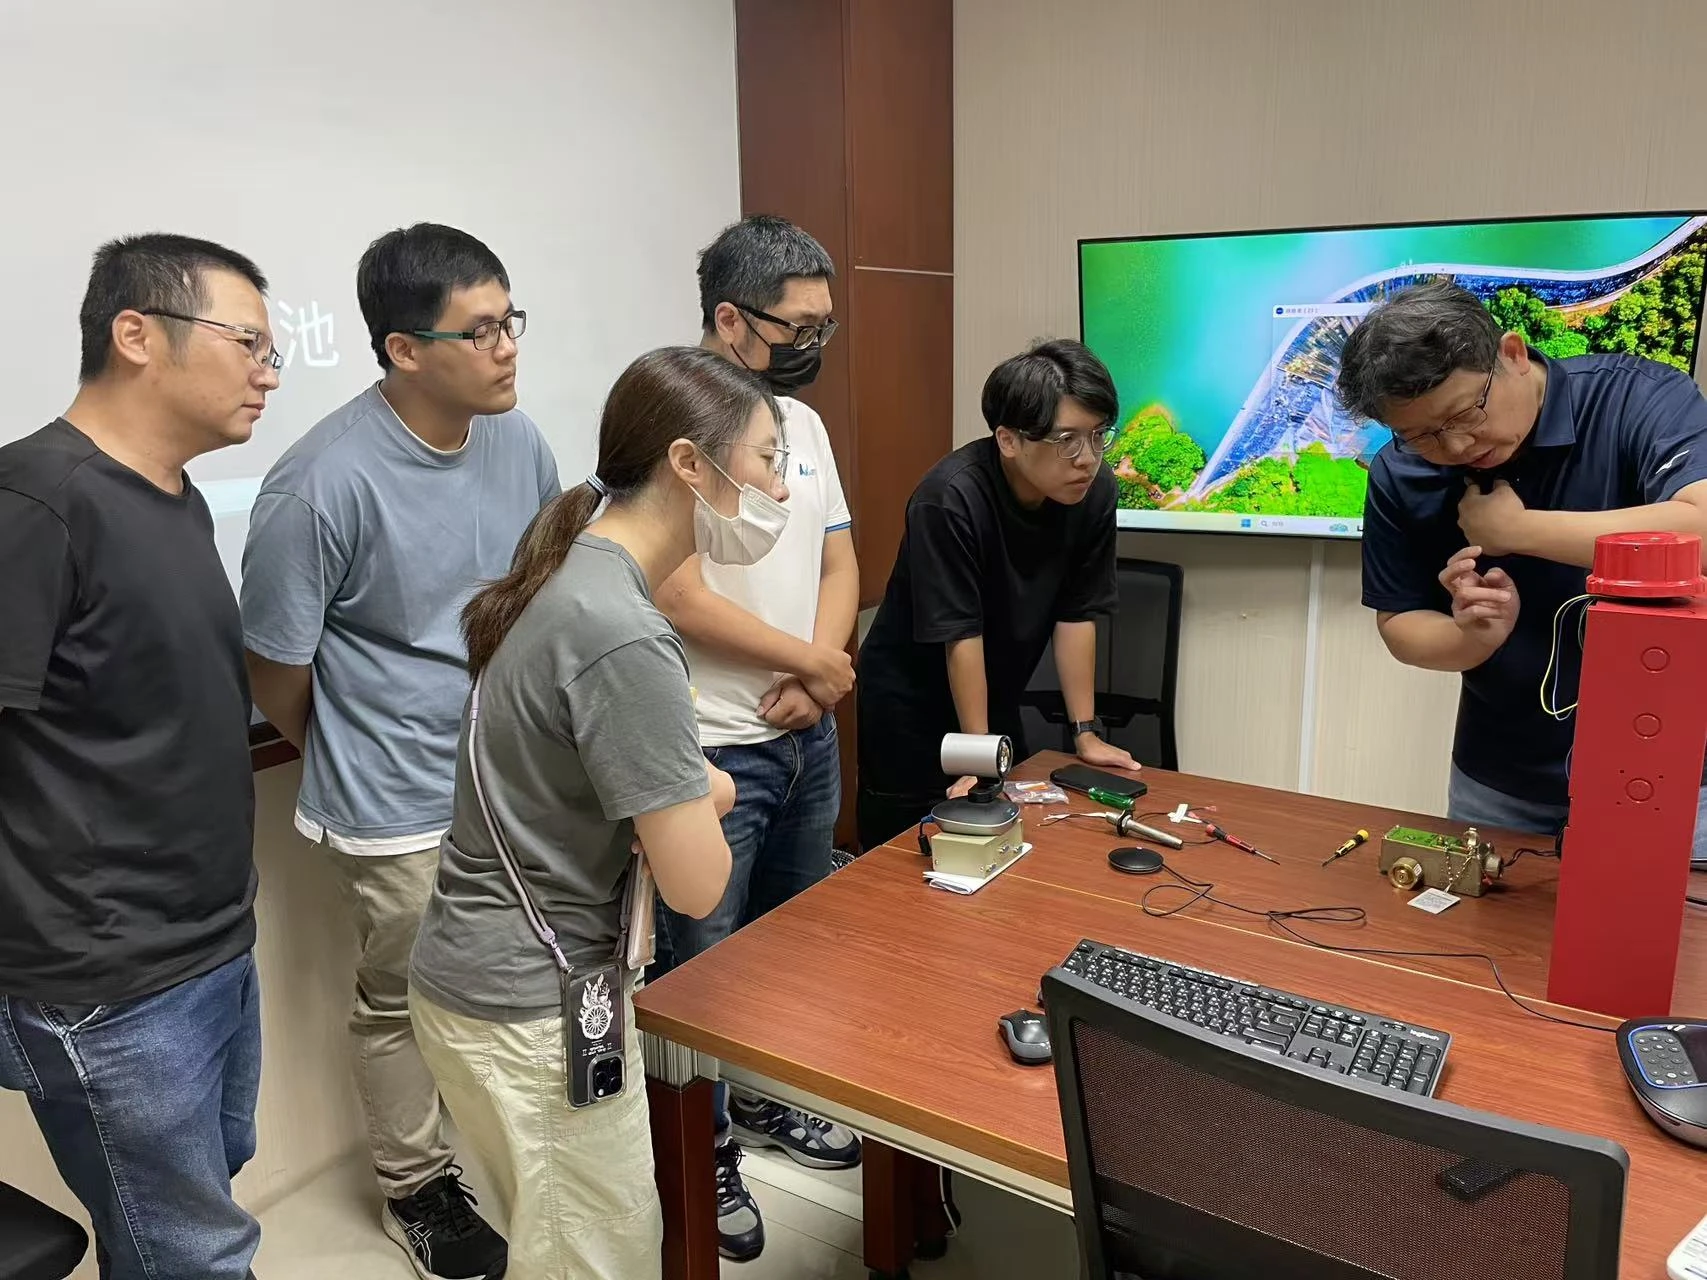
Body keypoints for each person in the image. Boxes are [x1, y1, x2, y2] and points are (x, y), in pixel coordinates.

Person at [408, 345, 787, 1280]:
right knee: (595, 1255)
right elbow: (699, 887)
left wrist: (686, 785)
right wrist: (714, 789)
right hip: (531, 1004)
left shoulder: (573, 569)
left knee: (553, 1241)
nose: (779, 488)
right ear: (688, 463)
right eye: (768, 460)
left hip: (481, 980)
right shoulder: (621, 631)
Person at [241, 223, 552, 1279]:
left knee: (514, 976)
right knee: (402, 999)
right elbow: (275, 668)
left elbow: (538, 599)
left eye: (511, 320)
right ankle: (418, 1188)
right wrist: (352, 749)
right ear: (404, 349)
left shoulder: (519, 442)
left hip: (509, 777)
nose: (508, 346)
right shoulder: (319, 482)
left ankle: (509, 1141)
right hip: (393, 801)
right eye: (482, 329)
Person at [0, 234, 279, 1278]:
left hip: (211, 939)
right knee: (189, 1254)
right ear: (136, 334)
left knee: (191, 1215)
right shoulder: (36, 501)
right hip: (109, 978)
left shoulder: (177, 496)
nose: (268, 371)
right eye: (247, 343)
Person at [651, 214, 861, 1261]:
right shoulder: (671, 420)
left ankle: (772, 1098)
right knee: (703, 969)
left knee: (794, 946)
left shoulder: (802, 424)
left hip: (803, 738)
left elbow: (839, 560)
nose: (815, 343)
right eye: (797, 326)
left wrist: (818, 676)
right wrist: (811, 663)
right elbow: (672, 586)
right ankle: (706, 1150)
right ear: (730, 319)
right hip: (709, 751)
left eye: (826, 323)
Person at [1340, 279, 1707, 849]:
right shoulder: (1399, 471)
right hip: (1500, 779)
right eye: (1422, 435)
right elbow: (1401, 624)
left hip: (1671, 774)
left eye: (1465, 414)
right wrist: (1472, 636)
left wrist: (1516, 531)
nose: (1456, 448)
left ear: (1511, 354)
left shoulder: (1636, 397)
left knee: (1664, 910)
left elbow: (1700, 530)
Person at [855, 338, 1138, 851]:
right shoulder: (950, 498)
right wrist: (976, 756)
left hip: (994, 696)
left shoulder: (1094, 492)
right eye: (1067, 440)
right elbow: (960, 634)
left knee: (1008, 841)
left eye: (1099, 435)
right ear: (1008, 439)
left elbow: (1077, 613)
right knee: (905, 855)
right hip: (911, 706)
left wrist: (1085, 732)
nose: (1088, 458)